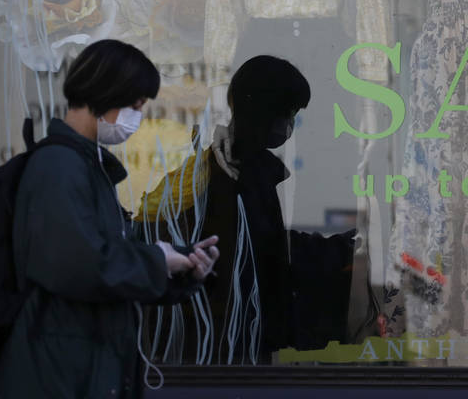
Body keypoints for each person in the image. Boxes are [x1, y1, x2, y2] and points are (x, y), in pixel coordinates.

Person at [0, 39, 220, 399]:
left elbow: (105, 260)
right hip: (60, 374)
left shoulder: (84, 165)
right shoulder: (59, 167)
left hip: (83, 367)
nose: (136, 119)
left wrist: (180, 266)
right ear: (107, 92)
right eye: (135, 105)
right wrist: (158, 260)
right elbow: (81, 264)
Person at [139, 55, 359, 365]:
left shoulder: (233, 167)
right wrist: (341, 251)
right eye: (290, 113)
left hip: (224, 343)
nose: (291, 124)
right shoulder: (230, 175)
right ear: (267, 114)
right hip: (224, 349)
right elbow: (260, 255)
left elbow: (266, 247)